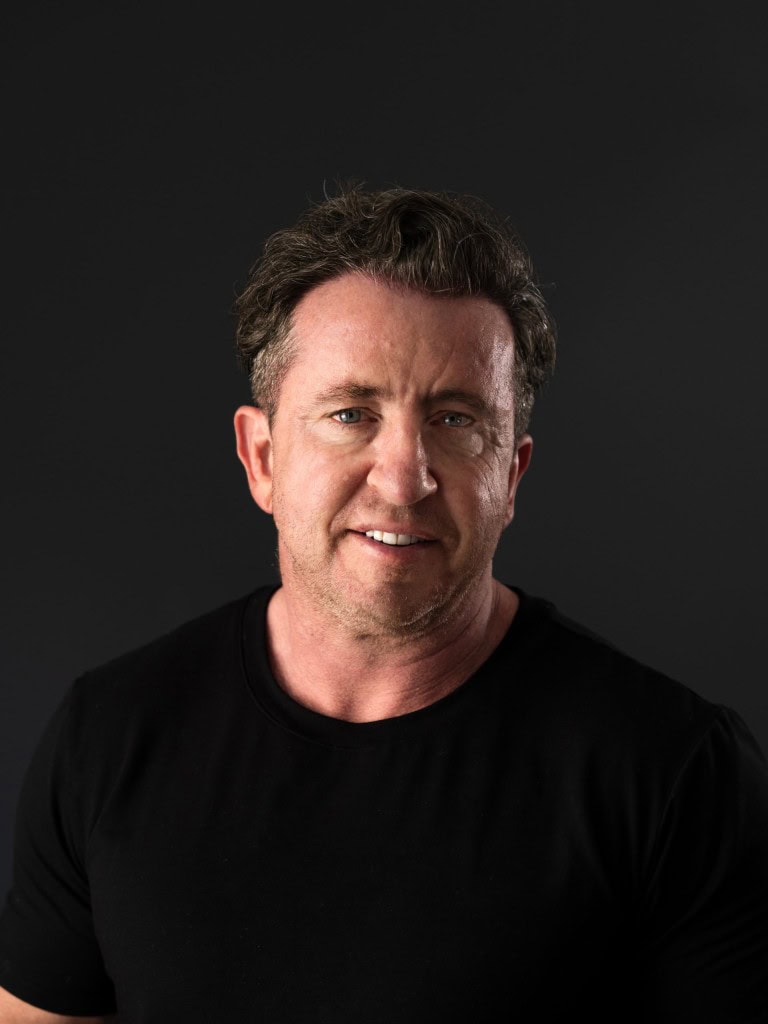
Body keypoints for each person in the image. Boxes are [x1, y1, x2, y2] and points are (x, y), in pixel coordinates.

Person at [1, 187, 767, 1023]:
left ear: (511, 476)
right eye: (350, 414)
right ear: (261, 458)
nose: (403, 477)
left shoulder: (674, 774)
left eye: (455, 419)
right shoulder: (109, 737)